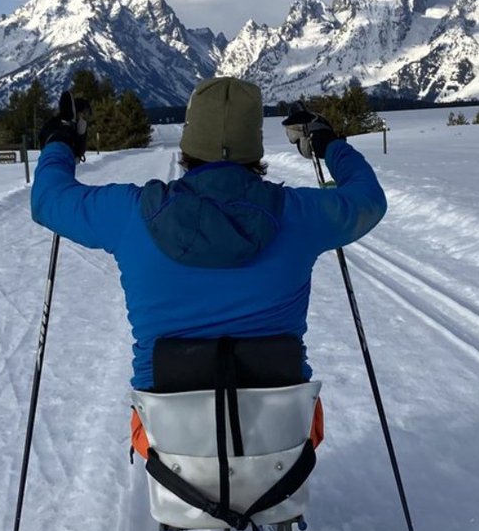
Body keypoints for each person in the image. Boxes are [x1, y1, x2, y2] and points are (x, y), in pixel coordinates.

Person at [30, 77, 387, 402]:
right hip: (283, 432)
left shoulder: (131, 214)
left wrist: (61, 142)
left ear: (188, 142)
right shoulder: (300, 213)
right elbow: (368, 198)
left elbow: (48, 199)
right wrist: (327, 143)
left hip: (167, 434)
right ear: (255, 147)